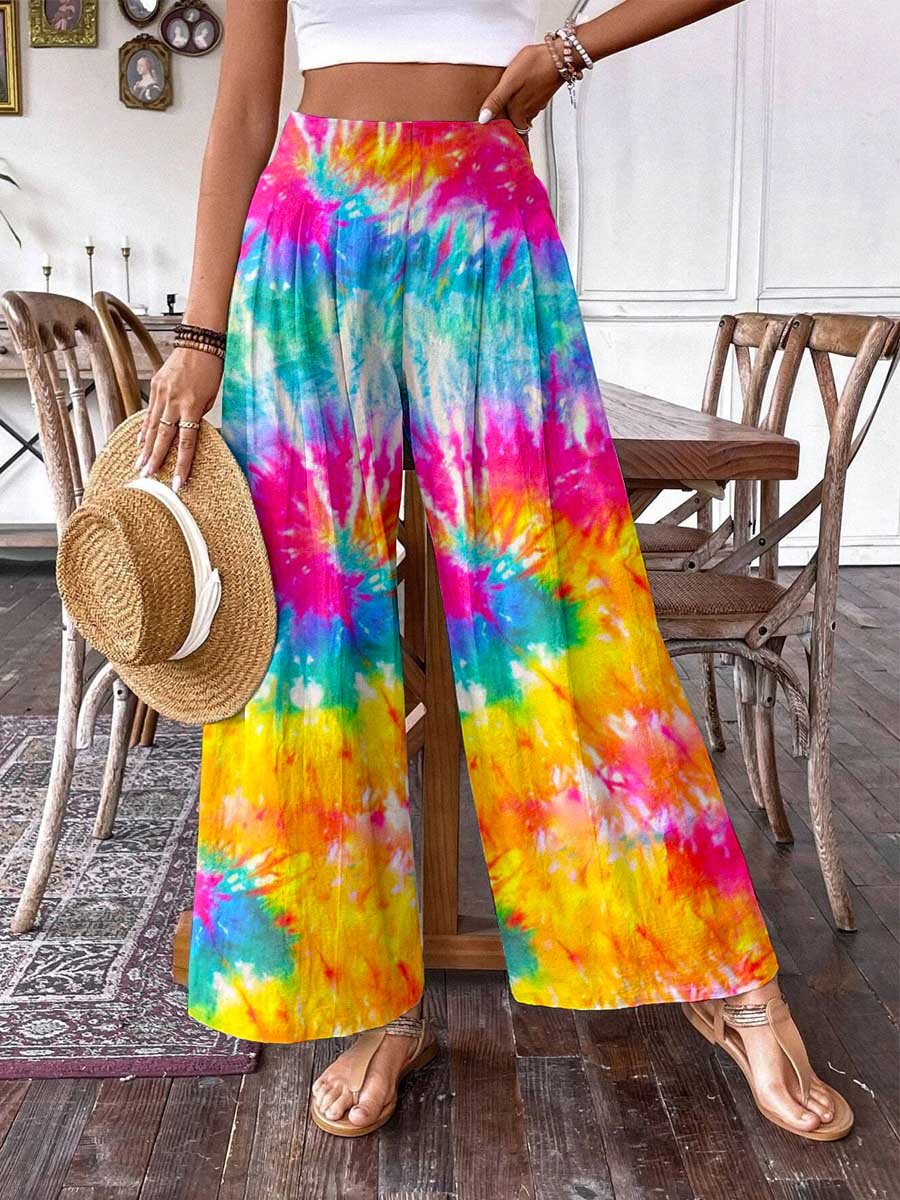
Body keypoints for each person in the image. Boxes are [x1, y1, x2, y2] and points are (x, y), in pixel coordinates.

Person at [137, 0, 853, 1142]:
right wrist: (199, 333)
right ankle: (366, 1001)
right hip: (309, 229)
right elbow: (243, 103)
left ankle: (725, 976)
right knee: (313, 635)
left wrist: (575, 48)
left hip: (483, 212)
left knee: (559, 604)